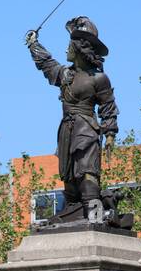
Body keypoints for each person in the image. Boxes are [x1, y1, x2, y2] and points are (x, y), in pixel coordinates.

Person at [25, 15, 119, 222]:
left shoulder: (98, 78)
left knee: (87, 170)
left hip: (86, 128)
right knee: (67, 174)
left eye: (69, 46)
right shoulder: (65, 75)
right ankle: (73, 211)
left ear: (78, 49)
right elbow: (46, 63)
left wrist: (110, 133)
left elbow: (108, 106)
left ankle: (94, 216)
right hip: (66, 130)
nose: (66, 50)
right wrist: (34, 44)